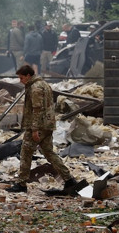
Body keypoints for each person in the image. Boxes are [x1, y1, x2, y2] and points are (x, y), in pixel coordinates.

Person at [8, 64, 81, 194]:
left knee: (26, 153)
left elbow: (37, 109)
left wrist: (35, 129)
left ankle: (21, 183)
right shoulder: (44, 84)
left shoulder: (35, 88)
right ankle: (69, 179)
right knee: (49, 153)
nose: (20, 81)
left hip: (38, 126)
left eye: (21, 78)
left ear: (28, 76)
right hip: (48, 125)